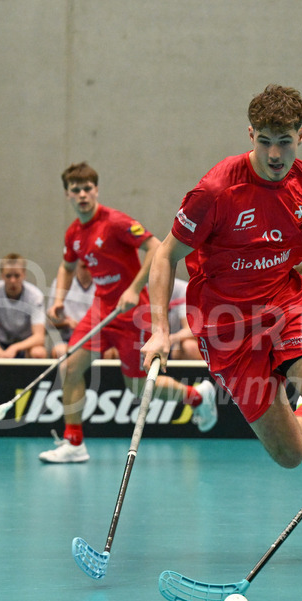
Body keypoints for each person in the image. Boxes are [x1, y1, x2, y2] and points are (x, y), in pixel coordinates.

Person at [141, 84, 302, 565]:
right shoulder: (216, 190)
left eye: (286, 141)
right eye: (266, 141)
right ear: (250, 134)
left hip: (287, 308)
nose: (276, 154)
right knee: (291, 454)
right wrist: (157, 329)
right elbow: (165, 255)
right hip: (226, 328)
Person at [38, 162, 217, 464]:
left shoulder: (115, 222)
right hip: (100, 312)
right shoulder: (74, 234)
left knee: (136, 386)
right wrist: (59, 299)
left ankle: (197, 396)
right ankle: (74, 443)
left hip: (135, 314)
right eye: (75, 190)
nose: (82, 194)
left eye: (87, 188)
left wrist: (134, 288)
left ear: (95, 190)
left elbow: (156, 247)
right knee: (69, 368)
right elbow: (67, 266)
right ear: (68, 195)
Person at [46, 261, 118, 360]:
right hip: (70, 339)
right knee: (60, 351)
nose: (86, 260)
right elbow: (50, 322)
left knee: (110, 353)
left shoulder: (105, 285)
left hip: (98, 338)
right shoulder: (60, 284)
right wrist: (66, 323)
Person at [167, 277, 203, 361]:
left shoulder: (182, 289)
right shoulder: (141, 289)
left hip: (174, 346)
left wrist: (170, 339)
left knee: (190, 346)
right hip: (148, 343)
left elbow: (191, 330)